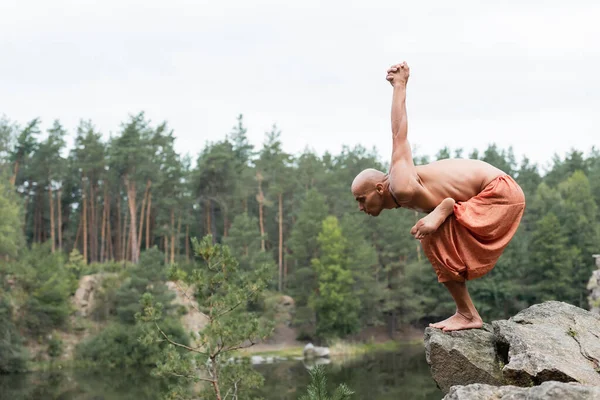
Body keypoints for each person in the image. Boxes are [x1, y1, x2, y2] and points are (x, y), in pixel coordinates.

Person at [351, 62, 525, 332]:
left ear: (379, 189)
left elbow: (399, 133)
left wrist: (400, 86)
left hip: (499, 192)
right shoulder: (402, 189)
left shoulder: (400, 184)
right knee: (434, 237)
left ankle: (468, 315)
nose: (360, 207)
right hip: (498, 193)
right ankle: (467, 313)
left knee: (432, 235)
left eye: (361, 199)